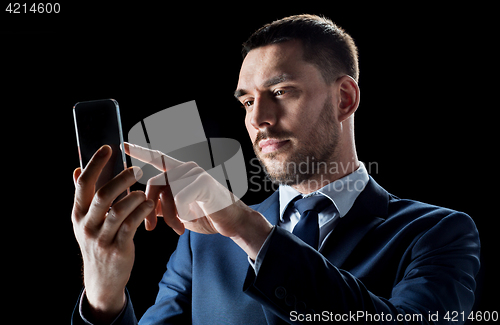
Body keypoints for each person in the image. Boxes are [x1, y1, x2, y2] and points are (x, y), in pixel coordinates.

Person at [71, 14, 480, 324]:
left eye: (281, 92)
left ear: (344, 98)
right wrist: (104, 296)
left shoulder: (436, 233)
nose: (258, 119)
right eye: (247, 101)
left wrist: (246, 228)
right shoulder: (202, 244)